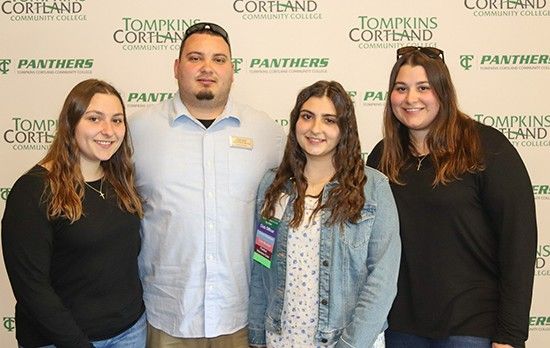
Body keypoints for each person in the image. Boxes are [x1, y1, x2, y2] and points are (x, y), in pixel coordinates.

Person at [366, 46, 537, 348]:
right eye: (401, 88)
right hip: (398, 328)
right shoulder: (382, 157)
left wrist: (510, 335)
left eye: (423, 88)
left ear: (443, 92)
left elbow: (518, 241)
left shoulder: (486, 147)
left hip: (471, 327)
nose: (411, 99)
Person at [128, 22, 285, 347]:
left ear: (232, 69)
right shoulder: (137, 131)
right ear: (176, 67)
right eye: (195, 58)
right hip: (167, 317)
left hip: (238, 318)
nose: (207, 68)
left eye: (218, 59)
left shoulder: (265, 132)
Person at [248, 80, 401, 348]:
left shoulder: (374, 189)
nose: (315, 129)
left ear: (344, 130)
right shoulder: (273, 186)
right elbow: (261, 266)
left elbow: (383, 282)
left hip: (348, 341)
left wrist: (350, 345)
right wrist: (257, 337)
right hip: (282, 339)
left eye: (329, 120)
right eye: (307, 117)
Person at [1, 79, 146, 348]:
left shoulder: (120, 180)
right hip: (61, 341)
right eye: (94, 118)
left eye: (117, 120)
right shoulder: (34, 190)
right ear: (71, 123)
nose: (108, 130)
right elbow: (32, 288)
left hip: (130, 333)